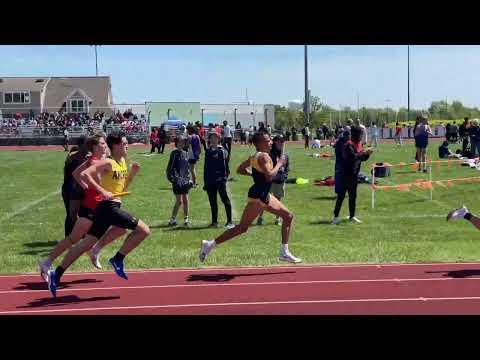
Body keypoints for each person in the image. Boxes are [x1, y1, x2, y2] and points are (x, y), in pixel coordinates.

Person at [46, 132, 150, 297]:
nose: (127, 145)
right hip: (108, 207)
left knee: (84, 245)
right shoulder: (107, 162)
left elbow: (122, 189)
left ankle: (56, 274)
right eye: (124, 143)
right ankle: (117, 259)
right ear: (115, 146)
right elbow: (85, 174)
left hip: (109, 207)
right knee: (144, 230)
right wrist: (102, 190)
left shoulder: (122, 162)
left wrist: (132, 174)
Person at [199, 131, 301, 264]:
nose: (270, 142)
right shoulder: (264, 157)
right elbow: (270, 176)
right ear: (259, 143)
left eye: (270, 140)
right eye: (267, 140)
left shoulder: (254, 156)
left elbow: (240, 169)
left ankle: (284, 252)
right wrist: (280, 163)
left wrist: (254, 174)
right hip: (258, 198)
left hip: (263, 195)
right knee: (242, 228)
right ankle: (209, 244)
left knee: (288, 216)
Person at [39, 135, 127, 280]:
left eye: (105, 143)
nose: (105, 146)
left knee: (120, 228)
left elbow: (77, 174)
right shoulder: (93, 161)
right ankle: (47, 262)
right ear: (94, 147)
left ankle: (94, 250)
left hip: (101, 207)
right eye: (102, 143)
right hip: (91, 208)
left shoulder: (99, 160)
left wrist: (89, 188)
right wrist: (95, 190)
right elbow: (80, 175)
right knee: (73, 239)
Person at [332, 126, 373, 225]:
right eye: (360, 134)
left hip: (354, 175)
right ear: (355, 134)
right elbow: (352, 158)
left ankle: (352, 216)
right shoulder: (348, 145)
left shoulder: (358, 144)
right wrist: (363, 153)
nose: (361, 136)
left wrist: (367, 154)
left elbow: (361, 158)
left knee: (353, 196)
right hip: (345, 174)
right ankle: (335, 217)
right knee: (341, 196)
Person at [256, 135, 289, 226]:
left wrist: (284, 176)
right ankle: (260, 217)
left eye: (281, 142)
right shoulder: (270, 153)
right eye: (278, 141)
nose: (280, 143)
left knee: (278, 201)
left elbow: (287, 167)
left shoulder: (284, 155)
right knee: (264, 200)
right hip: (270, 181)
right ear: (274, 142)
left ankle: (277, 219)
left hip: (280, 181)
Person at [204, 131, 234, 229]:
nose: (213, 139)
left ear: (219, 139)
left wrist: (224, 178)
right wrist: (206, 181)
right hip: (210, 181)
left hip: (220, 180)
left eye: (215, 137)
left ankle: (229, 221)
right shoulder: (208, 151)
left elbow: (226, 167)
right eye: (212, 138)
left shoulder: (222, 150)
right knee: (213, 202)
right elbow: (206, 167)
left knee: (225, 200)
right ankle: (214, 222)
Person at [61, 136, 88, 237]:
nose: (88, 147)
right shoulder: (73, 157)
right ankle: (68, 237)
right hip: (69, 189)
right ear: (81, 146)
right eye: (86, 144)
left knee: (83, 214)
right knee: (71, 214)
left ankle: (82, 236)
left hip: (80, 188)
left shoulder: (86, 157)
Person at [167, 135, 192, 226]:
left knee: (185, 200)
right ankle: (172, 219)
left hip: (185, 181)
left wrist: (189, 179)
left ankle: (186, 219)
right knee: (179, 201)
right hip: (177, 181)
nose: (181, 144)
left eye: (182, 142)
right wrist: (172, 179)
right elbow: (170, 168)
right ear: (176, 143)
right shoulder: (174, 153)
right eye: (179, 142)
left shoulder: (186, 153)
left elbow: (187, 168)